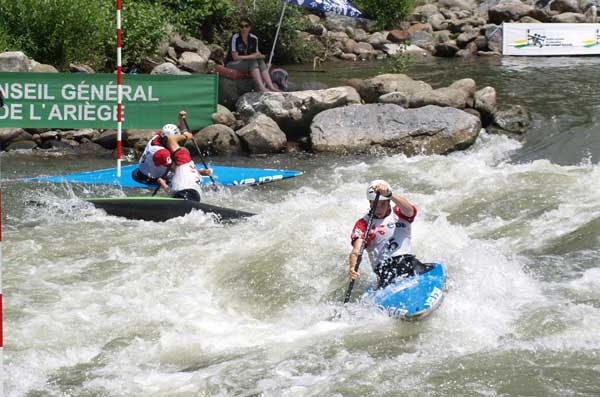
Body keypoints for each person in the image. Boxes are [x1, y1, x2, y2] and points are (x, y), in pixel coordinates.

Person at [348, 179, 424, 289]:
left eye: (383, 204)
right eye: (375, 205)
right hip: (384, 270)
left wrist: (390, 195)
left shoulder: (399, 213)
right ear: (370, 203)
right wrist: (352, 267)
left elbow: (410, 210)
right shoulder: (363, 224)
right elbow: (356, 251)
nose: (379, 209)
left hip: (409, 262)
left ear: (389, 202)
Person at [161, 111, 212, 201]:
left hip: (184, 195)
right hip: (192, 197)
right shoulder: (187, 167)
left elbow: (171, 139)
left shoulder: (183, 158)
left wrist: (185, 136)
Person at [225, 18, 280, 92]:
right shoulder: (235, 38)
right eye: (241, 26)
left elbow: (256, 54)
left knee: (260, 60)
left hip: (246, 62)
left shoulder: (254, 38)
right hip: (232, 63)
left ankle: (271, 87)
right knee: (252, 61)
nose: (244, 28)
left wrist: (264, 56)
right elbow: (235, 57)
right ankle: (262, 88)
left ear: (250, 27)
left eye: (246, 26)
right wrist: (252, 56)